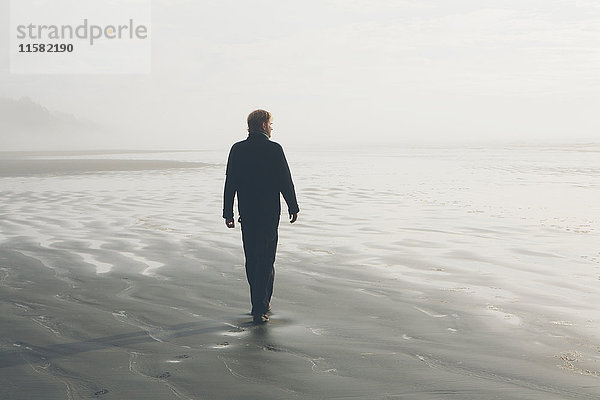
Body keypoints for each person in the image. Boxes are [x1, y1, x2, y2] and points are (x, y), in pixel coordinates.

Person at [223, 109, 299, 324]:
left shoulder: (237, 149)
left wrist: (227, 212)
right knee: (266, 259)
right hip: (268, 214)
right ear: (264, 125)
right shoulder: (274, 149)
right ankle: (260, 307)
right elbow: (285, 180)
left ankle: (260, 302)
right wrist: (293, 206)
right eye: (271, 124)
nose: (272, 128)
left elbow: (231, 183)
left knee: (252, 258)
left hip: (246, 213)